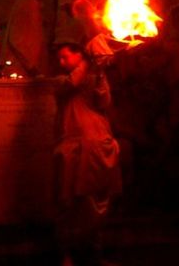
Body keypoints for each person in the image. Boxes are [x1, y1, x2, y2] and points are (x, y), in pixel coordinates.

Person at [52, 44, 121, 266]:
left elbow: (104, 102)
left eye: (65, 57)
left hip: (99, 143)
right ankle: (67, 256)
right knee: (68, 202)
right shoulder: (60, 81)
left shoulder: (93, 75)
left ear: (79, 54)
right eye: (59, 58)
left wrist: (99, 73)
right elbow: (72, 83)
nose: (61, 62)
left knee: (97, 203)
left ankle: (94, 255)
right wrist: (88, 63)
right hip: (71, 146)